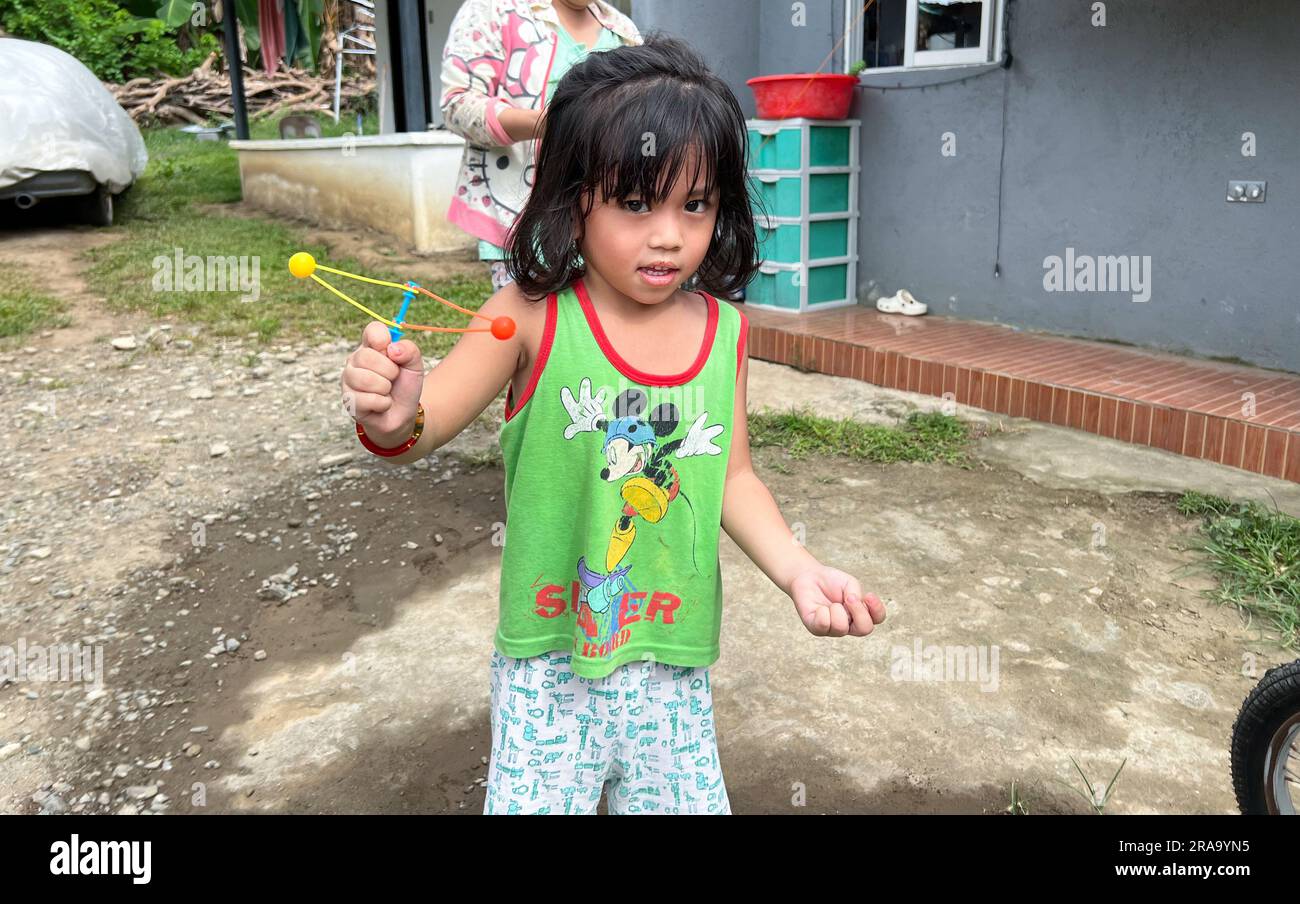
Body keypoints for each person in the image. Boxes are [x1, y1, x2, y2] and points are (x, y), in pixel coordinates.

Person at [340, 35, 887, 815]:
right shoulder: (526, 318)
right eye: (637, 203)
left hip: (672, 662)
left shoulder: (722, 331)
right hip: (547, 671)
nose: (669, 233)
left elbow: (730, 476)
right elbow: (417, 430)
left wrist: (799, 569)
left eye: (694, 204)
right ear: (573, 195)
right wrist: (392, 416)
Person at [440, 0, 642, 292]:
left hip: (612, 227)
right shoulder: (493, 9)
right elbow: (458, 106)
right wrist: (548, 123)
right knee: (535, 330)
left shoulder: (623, 32)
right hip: (521, 220)